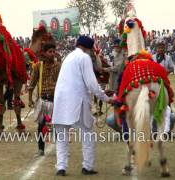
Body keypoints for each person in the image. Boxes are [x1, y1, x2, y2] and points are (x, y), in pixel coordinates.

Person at [52, 36, 113, 176]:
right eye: (92, 49)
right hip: (77, 101)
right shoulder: (84, 58)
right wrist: (106, 98)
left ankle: (61, 168)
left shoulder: (68, 57)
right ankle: (87, 166)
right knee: (88, 133)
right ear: (88, 48)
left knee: (61, 136)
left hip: (61, 101)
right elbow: (92, 84)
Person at [28, 43, 60, 156]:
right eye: (49, 52)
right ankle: (41, 149)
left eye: (53, 51)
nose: (52, 54)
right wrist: (29, 100)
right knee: (41, 125)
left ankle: (60, 150)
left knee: (57, 125)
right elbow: (31, 84)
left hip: (55, 100)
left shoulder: (58, 66)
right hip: (42, 101)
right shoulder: (38, 66)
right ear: (44, 53)